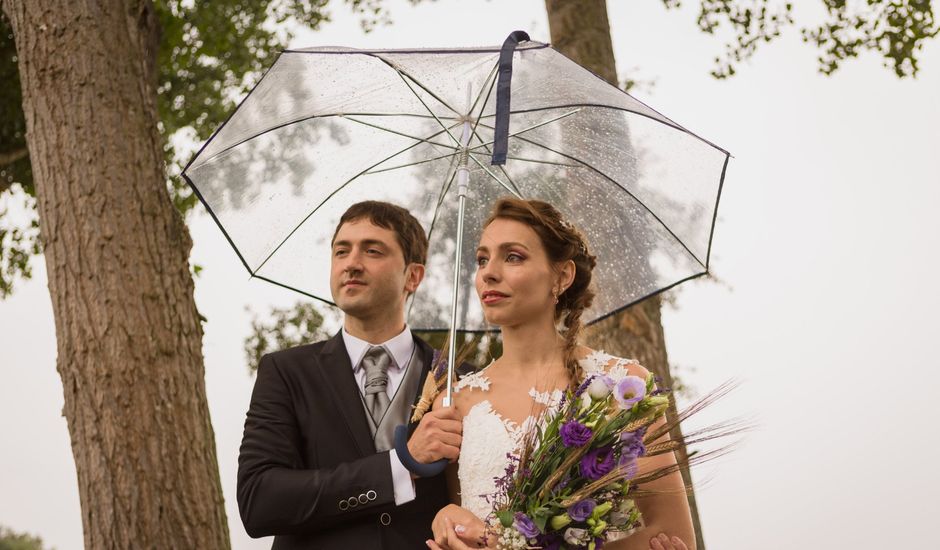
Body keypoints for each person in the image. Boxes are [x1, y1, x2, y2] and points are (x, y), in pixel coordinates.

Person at [427, 198, 696, 550]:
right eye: (482, 259)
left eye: (513, 257)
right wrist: (446, 519)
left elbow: (673, 534)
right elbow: (459, 524)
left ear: (562, 275)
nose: (489, 272)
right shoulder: (455, 401)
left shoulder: (623, 384)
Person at [237, 200, 467, 549]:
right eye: (341, 251)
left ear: (413, 275)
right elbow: (259, 501)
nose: (352, 264)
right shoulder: (285, 372)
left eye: (373, 251)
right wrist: (398, 467)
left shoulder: (459, 380)